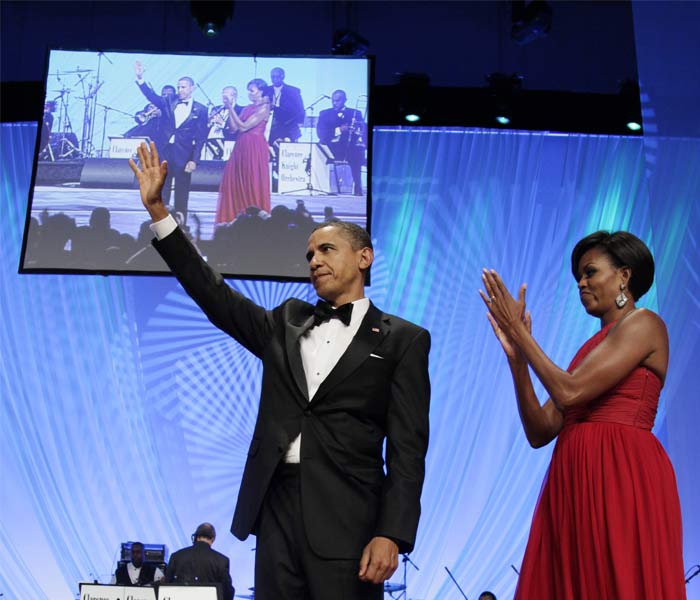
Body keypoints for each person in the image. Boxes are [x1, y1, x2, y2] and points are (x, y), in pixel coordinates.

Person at [128, 141, 431, 600]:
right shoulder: (285, 323)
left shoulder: (403, 339)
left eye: (326, 249)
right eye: (309, 255)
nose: (314, 261)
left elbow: (408, 449)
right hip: (276, 509)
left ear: (364, 257)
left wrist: (392, 533)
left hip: (351, 517)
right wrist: (159, 212)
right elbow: (214, 296)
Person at [480, 231, 686, 599]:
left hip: (622, 474)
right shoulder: (589, 349)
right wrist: (518, 359)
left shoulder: (644, 324)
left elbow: (569, 390)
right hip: (575, 478)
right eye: (578, 275)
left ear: (624, 275)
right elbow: (540, 431)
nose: (581, 282)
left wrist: (520, 332)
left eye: (590, 272)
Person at [134, 61, 208, 225]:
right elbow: (151, 96)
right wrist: (141, 79)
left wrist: (194, 160)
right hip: (165, 153)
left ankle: (181, 226)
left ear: (192, 88)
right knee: (162, 190)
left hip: (184, 156)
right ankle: (161, 223)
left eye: (183, 87)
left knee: (182, 193)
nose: (180, 90)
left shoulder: (201, 110)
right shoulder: (169, 101)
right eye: (179, 87)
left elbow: (201, 137)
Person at [214, 79, 271, 225]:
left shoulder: (264, 108)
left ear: (261, 91)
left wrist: (231, 109)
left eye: (252, 90)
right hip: (241, 145)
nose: (249, 94)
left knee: (252, 181)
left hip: (254, 147)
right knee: (236, 181)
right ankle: (235, 216)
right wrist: (230, 108)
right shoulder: (247, 108)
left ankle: (254, 216)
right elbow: (234, 128)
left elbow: (244, 126)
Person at [165, 523, 234, 600]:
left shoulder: (176, 556)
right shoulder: (222, 561)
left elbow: (166, 585)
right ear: (213, 539)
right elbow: (228, 591)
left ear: (196, 537)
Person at [316, 89, 366, 196]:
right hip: (331, 147)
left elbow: (362, 130)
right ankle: (321, 186)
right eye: (333, 101)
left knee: (357, 154)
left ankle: (358, 187)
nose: (334, 103)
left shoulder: (355, 113)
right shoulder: (324, 114)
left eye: (337, 101)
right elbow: (321, 134)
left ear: (345, 100)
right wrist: (339, 130)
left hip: (349, 148)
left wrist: (356, 130)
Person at [264, 67, 305, 144]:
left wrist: (300, 122)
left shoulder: (293, 91)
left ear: (283, 76)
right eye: (273, 77)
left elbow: (300, 108)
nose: (275, 79)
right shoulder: (266, 90)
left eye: (277, 76)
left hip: (287, 124)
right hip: (270, 125)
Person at [206, 86, 244, 159]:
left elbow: (236, 128)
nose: (224, 97)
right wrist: (210, 122)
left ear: (234, 96)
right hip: (211, 142)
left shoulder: (240, 110)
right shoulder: (216, 108)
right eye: (223, 94)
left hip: (229, 143)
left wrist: (222, 123)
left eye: (227, 95)